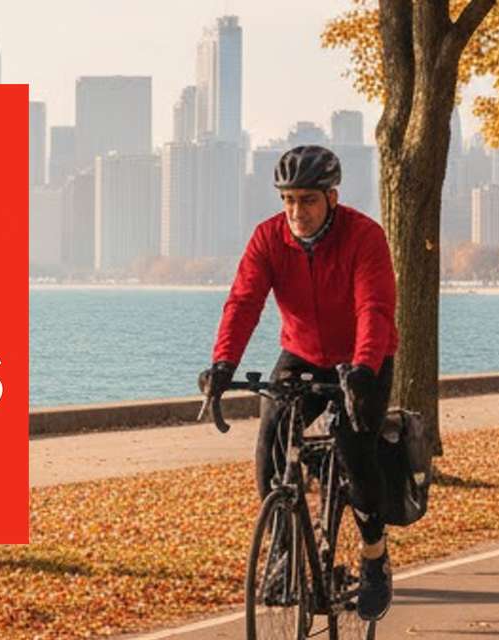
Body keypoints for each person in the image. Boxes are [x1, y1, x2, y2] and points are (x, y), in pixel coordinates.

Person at [199, 144, 401, 621]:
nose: (296, 211)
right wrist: (223, 364)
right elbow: (243, 302)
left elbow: (373, 307)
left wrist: (365, 371)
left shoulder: (363, 236)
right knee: (271, 436)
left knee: (356, 449)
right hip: (304, 352)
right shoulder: (268, 238)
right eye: (288, 199)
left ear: (332, 198)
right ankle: (286, 546)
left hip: (363, 357)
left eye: (307, 200)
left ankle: (374, 556)